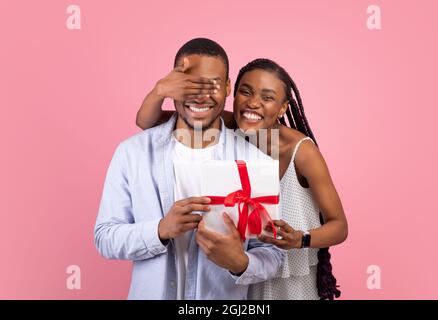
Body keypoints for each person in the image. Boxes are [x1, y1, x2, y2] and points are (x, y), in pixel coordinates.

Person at [136, 57, 348, 300]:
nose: (253, 103)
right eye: (245, 92)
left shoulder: (302, 151)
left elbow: (339, 227)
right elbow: (147, 122)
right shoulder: (230, 125)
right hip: (245, 271)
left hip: (291, 278)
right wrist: (160, 91)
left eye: (267, 98)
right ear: (232, 95)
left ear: (282, 108)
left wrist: (300, 238)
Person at [94, 38, 285, 300]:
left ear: (228, 87)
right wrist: (160, 230)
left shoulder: (256, 163)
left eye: (213, 85)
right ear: (173, 86)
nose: (201, 96)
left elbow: (273, 254)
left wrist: (240, 262)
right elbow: (105, 237)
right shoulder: (132, 153)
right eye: (189, 84)